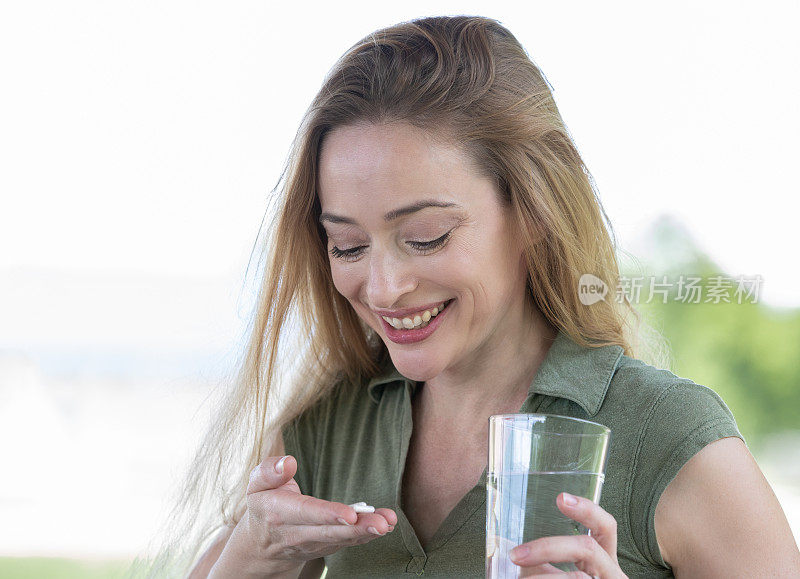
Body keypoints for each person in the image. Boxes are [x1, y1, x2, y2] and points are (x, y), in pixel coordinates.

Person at [130, 15, 800, 579]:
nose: (385, 287)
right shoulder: (326, 435)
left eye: (426, 236)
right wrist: (247, 553)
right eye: (348, 245)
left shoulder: (667, 438)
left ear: (534, 211)